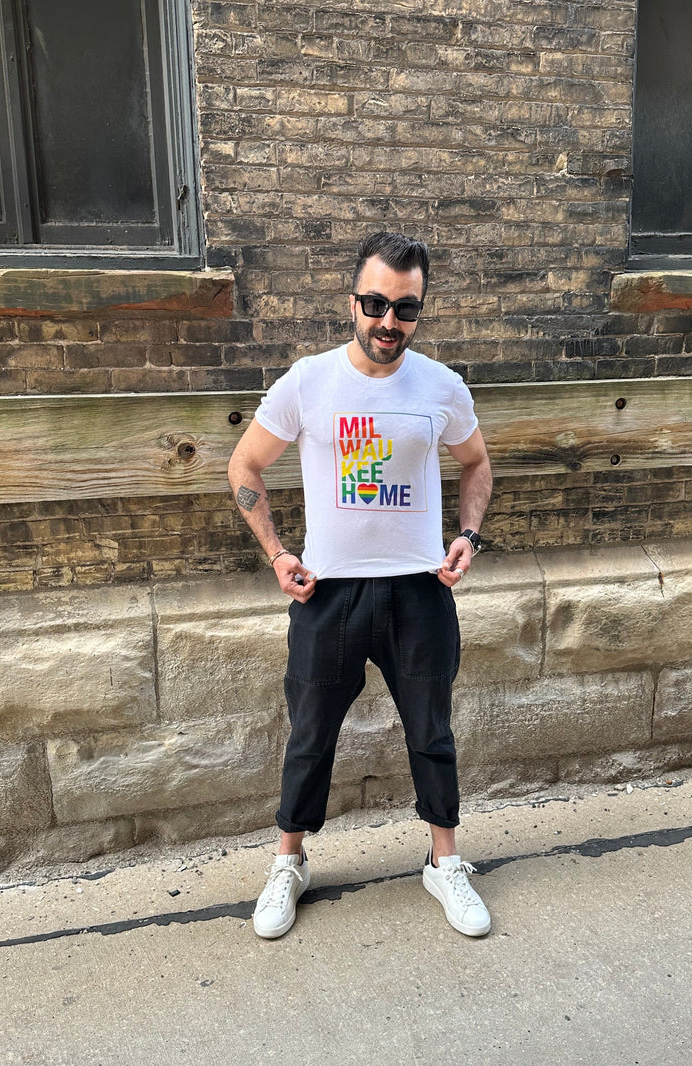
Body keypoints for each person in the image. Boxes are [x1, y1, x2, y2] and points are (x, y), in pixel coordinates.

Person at [227, 231, 494, 939]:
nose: (388, 321)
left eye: (405, 308)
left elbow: (476, 464)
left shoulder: (441, 386)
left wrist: (467, 536)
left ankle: (444, 862)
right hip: (330, 595)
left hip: (419, 591)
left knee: (432, 731)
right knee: (310, 736)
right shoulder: (308, 382)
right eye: (375, 304)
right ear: (352, 301)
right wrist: (277, 552)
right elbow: (245, 465)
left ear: (419, 311)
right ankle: (288, 863)